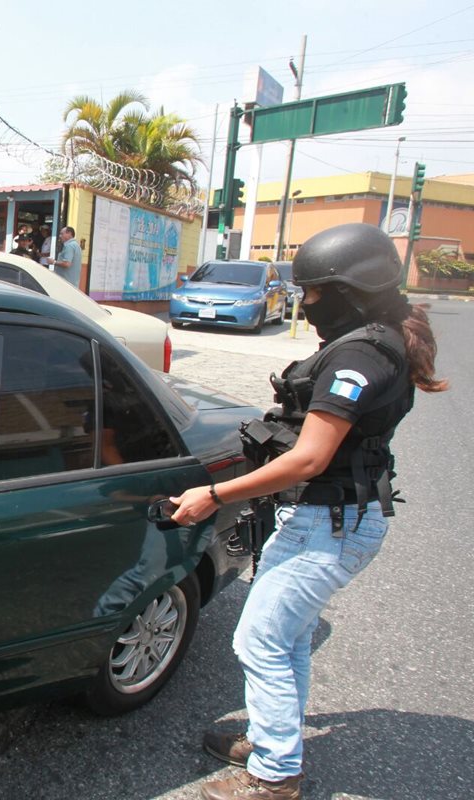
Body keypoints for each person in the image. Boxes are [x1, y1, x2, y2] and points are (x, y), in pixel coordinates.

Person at [169, 224, 447, 800]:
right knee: (286, 639)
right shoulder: (380, 338)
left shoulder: (362, 355)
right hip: (332, 517)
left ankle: (274, 777)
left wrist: (216, 496)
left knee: (259, 642)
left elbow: (310, 458)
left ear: (352, 291)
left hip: (329, 523)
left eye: (315, 293)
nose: (307, 303)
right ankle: (276, 742)